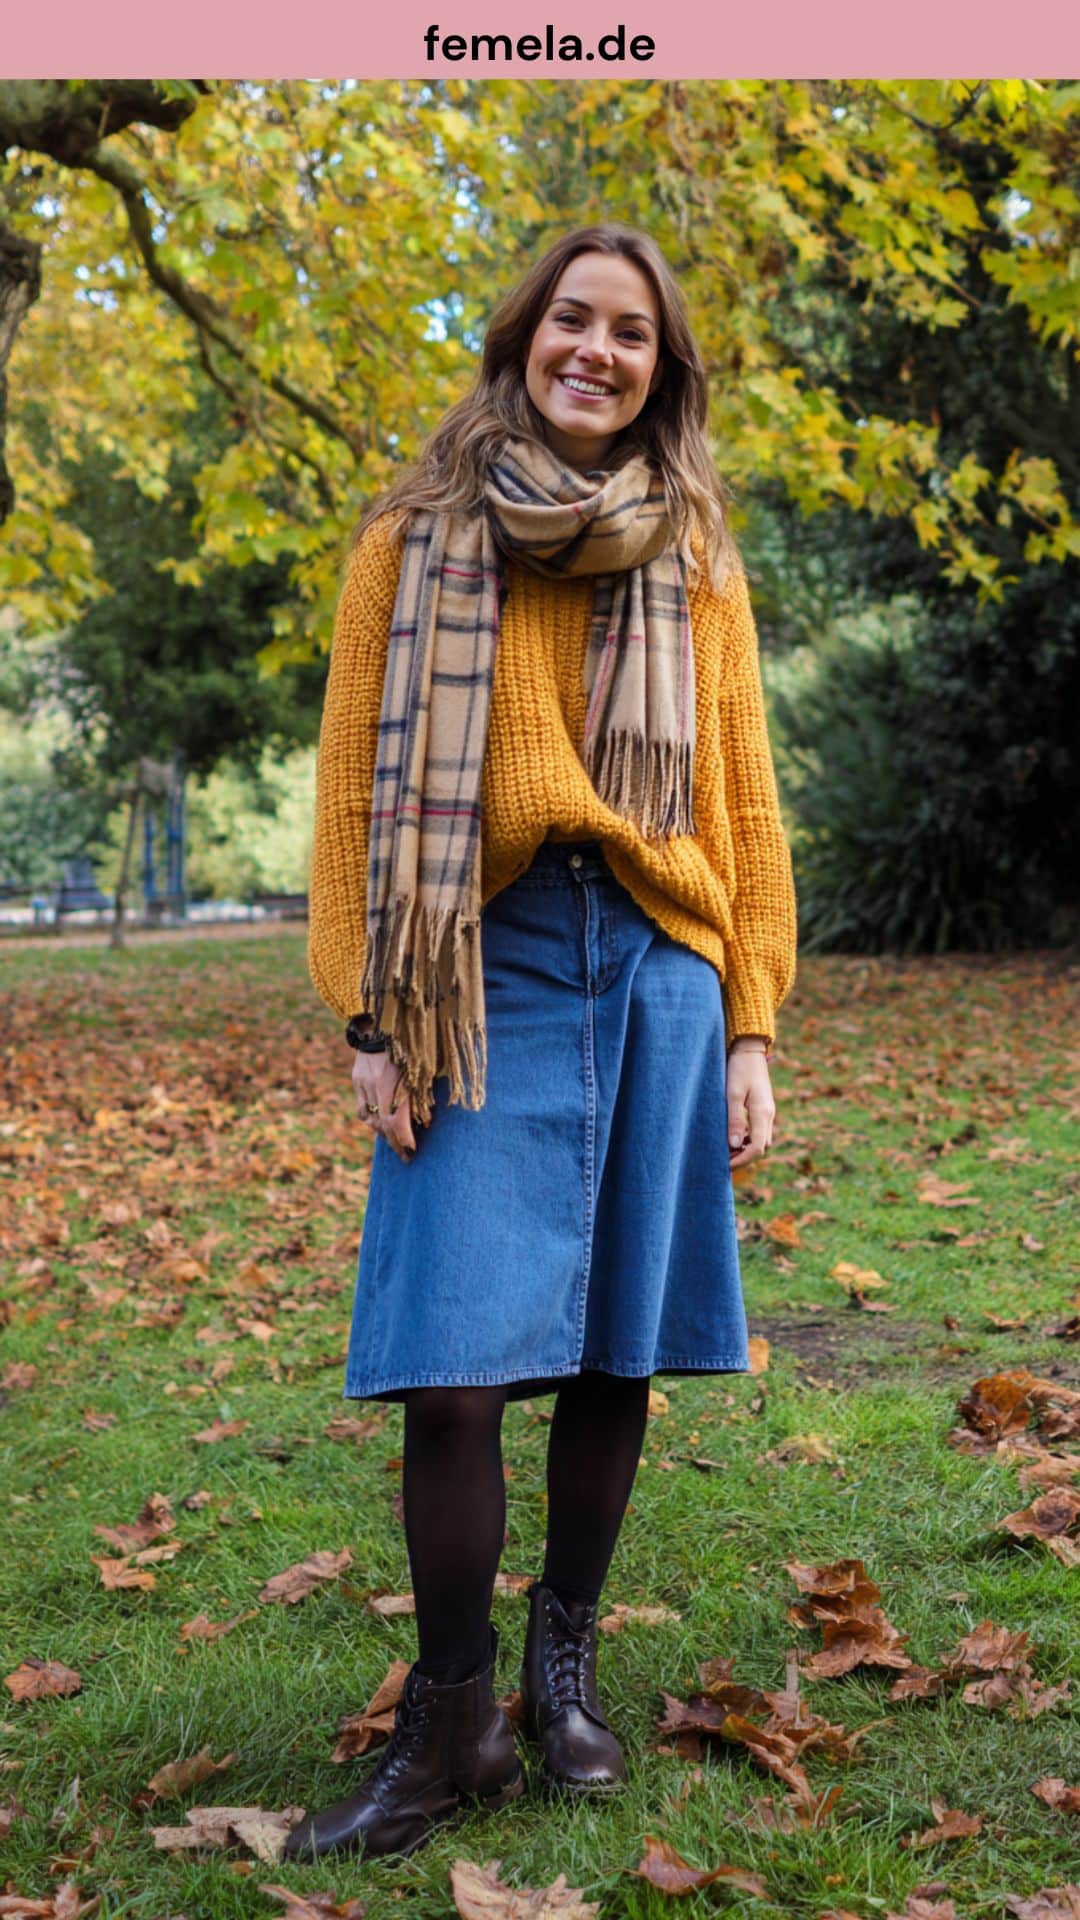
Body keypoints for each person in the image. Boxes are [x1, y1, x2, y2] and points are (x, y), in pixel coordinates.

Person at [285, 223, 797, 1863]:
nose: (598, 351)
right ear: (521, 339)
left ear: (660, 371)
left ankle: (559, 1667)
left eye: (630, 333)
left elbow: (742, 799)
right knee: (450, 1371)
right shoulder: (411, 539)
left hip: (653, 960)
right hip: (473, 964)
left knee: (609, 1349)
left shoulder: (694, 557)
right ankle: (452, 1723)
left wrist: (752, 1022)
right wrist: (370, 1008)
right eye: (573, 320)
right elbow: (352, 794)